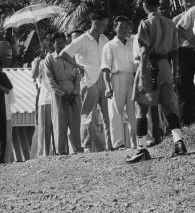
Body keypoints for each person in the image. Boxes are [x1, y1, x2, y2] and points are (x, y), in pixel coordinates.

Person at [127, 0, 187, 163]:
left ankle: (141, 148)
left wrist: (143, 75)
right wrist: (174, 70)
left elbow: (144, 51)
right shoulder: (169, 23)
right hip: (165, 66)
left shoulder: (145, 24)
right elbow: (175, 50)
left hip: (150, 66)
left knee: (141, 108)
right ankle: (178, 142)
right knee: (169, 106)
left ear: (145, 4)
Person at [60, 11, 112, 152]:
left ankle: (111, 145)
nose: (102, 27)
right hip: (89, 79)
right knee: (89, 115)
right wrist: (79, 67)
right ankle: (88, 146)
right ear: (93, 21)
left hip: (103, 78)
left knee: (108, 115)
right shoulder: (82, 39)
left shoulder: (104, 39)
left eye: (105, 25)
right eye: (100, 24)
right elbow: (63, 54)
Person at [101, 16, 137, 150]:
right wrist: (108, 86)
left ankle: (135, 142)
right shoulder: (109, 45)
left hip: (131, 77)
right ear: (115, 28)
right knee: (116, 112)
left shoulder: (131, 44)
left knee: (133, 111)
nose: (123, 29)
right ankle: (118, 144)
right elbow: (105, 68)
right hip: (116, 77)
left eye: (126, 27)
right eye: (120, 27)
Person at [45, 33, 82, 155]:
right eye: (57, 42)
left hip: (73, 93)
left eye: (62, 42)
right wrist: (62, 94)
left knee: (76, 121)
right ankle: (61, 151)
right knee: (60, 122)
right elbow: (49, 80)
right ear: (53, 44)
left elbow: (78, 75)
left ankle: (78, 148)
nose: (60, 45)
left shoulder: (71, 57)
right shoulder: (49, 58)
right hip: (59, 94)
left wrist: (75, 92)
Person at [173, 0, 195, 126]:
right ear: (182, 2)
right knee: (184, 88)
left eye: (190, 0)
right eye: (185, 1)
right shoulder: (177, 19)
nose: (188, 3)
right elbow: (176, 39)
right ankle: (185, 120)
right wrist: (191, 40)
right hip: (184, 53)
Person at [32, 46, 53, 157]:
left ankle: (59, 153)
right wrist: (40, 60)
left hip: (58, 99)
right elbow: (34, 76)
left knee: (59, 131)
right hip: (44, 100)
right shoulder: (38, 61)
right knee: (43, 132)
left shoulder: (59, 57)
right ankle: (44, 156)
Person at [0, 60, 13, 163]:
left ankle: (2, 160)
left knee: (2, 136)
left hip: (1, 109)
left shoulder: (2, 76)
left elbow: (8, 90)